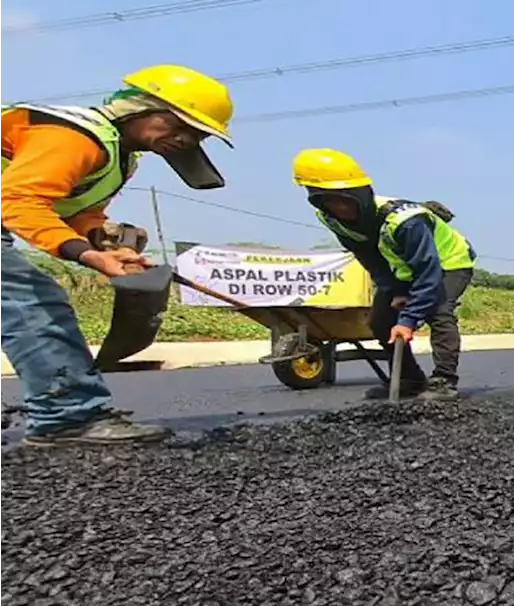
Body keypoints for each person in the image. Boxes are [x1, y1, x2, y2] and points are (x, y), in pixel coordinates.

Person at [1, 65, 235, 447]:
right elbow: (20, 203)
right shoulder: (75, 137)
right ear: (139, 108)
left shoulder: (119, 156)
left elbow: (73, 209)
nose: (185, 139)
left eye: (197, 135)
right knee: (32, 303)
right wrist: (90, 257)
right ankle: (67, 418)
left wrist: (104, 239)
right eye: (177, 124)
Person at [291, 148, 476, 402]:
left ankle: (444, 381)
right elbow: (368, 255)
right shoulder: (331, 219)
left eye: (345, 200)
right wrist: (395, 290)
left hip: (449, 263)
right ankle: (410, 381)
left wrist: (409, 320)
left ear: (360, 194)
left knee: (439, 311)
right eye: (330, 201)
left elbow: (428, 273)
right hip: (407, 269)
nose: (340, 208)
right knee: (380, 321)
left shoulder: (406, 221)